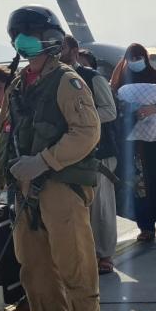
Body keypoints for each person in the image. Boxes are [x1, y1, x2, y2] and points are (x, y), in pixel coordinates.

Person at [0, 5, 101, 311]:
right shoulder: (18, 85)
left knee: (75, 266)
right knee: (34, 267)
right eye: (19, 35)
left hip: (61, 187)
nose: (24, 41)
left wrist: (44, 161)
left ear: (49, 38)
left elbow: (87, 132)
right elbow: (4, 138)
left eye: (31, 34)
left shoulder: (67, 81)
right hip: (25, 191)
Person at [111, 44, 156, 242]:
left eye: (138, 57)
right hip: (135, 146)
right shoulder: (121, 81)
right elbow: (114, 107)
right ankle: (146, 227)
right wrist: (132, 113)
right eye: (131, 59)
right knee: (139, 186)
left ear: (146, 58)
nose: (135, 62)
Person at [60, 35, 118, 275]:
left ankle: (104, 254)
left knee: (100, 207)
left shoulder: (93, 78)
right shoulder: (50, 80)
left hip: (98, 153)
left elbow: (110, 111)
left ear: (74, 50)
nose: (57, 52)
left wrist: (80, 121)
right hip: (65, 153)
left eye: (61, 47)